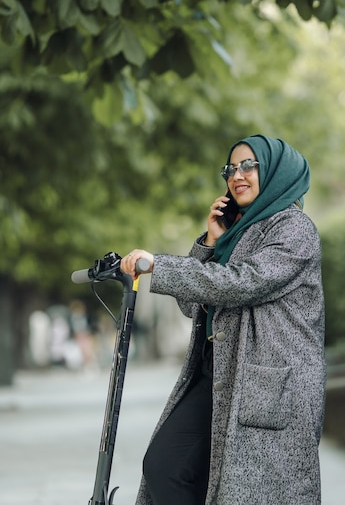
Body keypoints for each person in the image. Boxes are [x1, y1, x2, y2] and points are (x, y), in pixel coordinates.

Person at [121, 134, 326, 505]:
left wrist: (159, 264)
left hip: (266, 381)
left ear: (278, 173)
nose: (237, 175)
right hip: (217, 371)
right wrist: (210, 243)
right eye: (231, 168)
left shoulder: (293, 229)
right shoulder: (237, 234)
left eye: (249, 165)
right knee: (165, 465)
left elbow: (243, 282)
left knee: (250, 492)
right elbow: (190, 305)